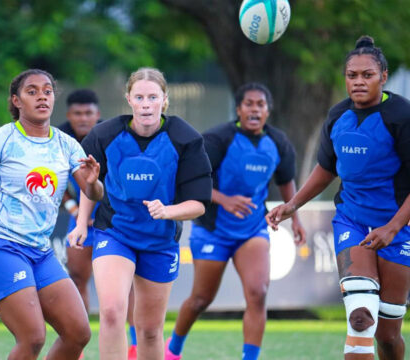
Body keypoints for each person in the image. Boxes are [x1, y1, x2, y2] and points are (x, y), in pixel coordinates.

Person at [267, 36, 410, 360]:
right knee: (360, 319)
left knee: (388, 336)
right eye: (352, 75)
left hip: (398, 227)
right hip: (352, 221)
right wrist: (292, 205)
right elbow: (326, 168)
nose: (358, 81)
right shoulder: (337, 116)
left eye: (367, 75)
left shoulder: (401, 116)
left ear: (383, 77)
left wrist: (392, 227)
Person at [0, 69, 103, 360]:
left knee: (78, 333)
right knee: (33, 337)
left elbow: (92, 194)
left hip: (40, 251)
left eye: (47, 90)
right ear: (16, 101)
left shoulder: (67, 145)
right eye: (32, 91)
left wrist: (94, 182)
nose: (42, 96)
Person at [69, 67, 212, 359]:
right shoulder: (104, 135)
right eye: (139, 97)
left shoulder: (186, 139)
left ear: (164, 100)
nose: (146, 104)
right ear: (129, 100)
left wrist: (169, 210)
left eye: (152, 97)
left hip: (159, 241)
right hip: (115, 233)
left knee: (148, 329)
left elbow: (198, 203)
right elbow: (90, 185)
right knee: (111, 312)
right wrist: (83, 222)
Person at [165, 83, 306, 360]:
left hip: (252, 229)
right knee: (200, 300)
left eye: (260, 105)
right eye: (249, 104)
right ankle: (173, 351)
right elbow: (191, 179)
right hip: (212, 230)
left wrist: (295, 217)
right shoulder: (218, 139)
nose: (255, 109)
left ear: (267, 111)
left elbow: (286, 181)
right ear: (239, 109)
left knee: (258, 292)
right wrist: (224, 199)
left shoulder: (278, 143)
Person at [58, 89, 139, 359]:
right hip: (79, 218)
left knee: (126, 284)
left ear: (98, 114)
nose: (83, 118)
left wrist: (101, 208)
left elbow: (124, 179)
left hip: (114, 218)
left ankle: (134, 344)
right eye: (78, 113)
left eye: (89, 113)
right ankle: (77, 344)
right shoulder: (59, 139)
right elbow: (56, 183)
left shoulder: (112, 135)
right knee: (78, 277)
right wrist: (77, 209)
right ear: (69, 115)